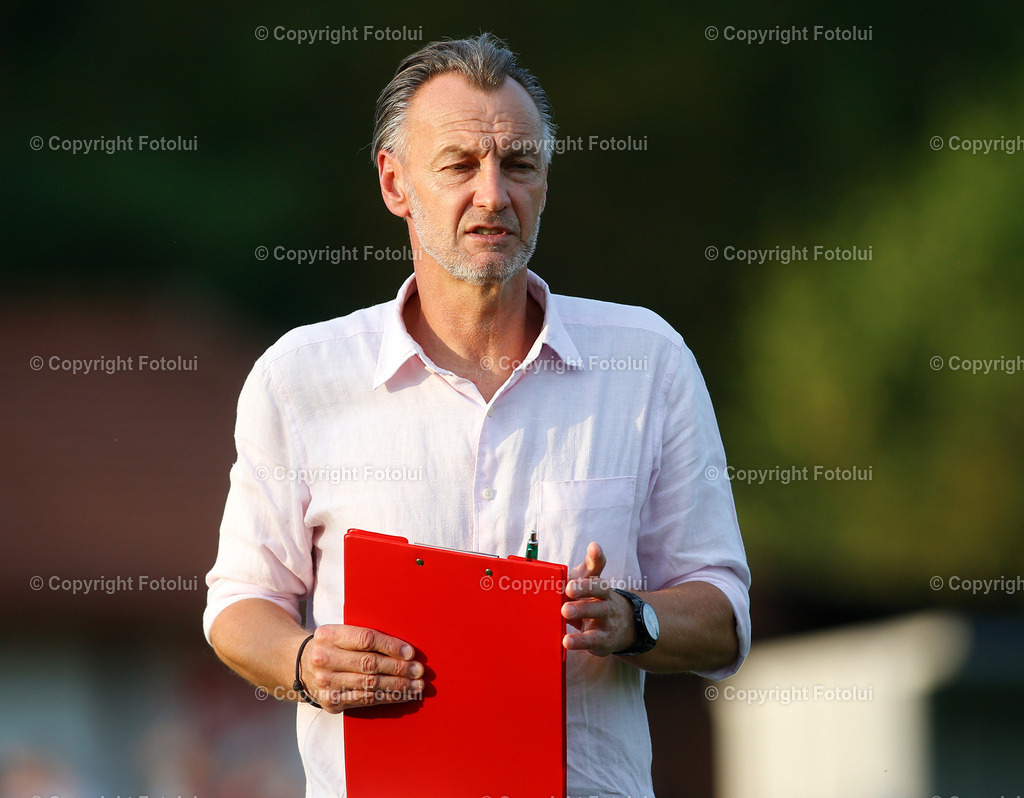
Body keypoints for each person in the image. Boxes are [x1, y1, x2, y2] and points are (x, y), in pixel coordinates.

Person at [204, 32, 750, 797]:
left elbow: (723, 611)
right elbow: (240, 602)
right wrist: (304, 662)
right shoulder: (300, 376)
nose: (494, 194)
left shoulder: (648, 358)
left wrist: (630, 619)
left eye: (519, 165)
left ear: (546, 183)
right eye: (460, 165)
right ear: (395, 184)